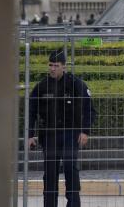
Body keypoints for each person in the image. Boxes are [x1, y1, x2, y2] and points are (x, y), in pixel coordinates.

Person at [27, 49, 96, 207]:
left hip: (70, 135)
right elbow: (31, 112)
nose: (52, 68)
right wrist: (30, 135)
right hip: (49, 135)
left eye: (56, 65)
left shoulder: (76, 84)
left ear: (64, 67)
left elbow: (90, 110)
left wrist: (85, 131)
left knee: (71, 170)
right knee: (50, 174)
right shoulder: (41, 87)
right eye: (50, 65)